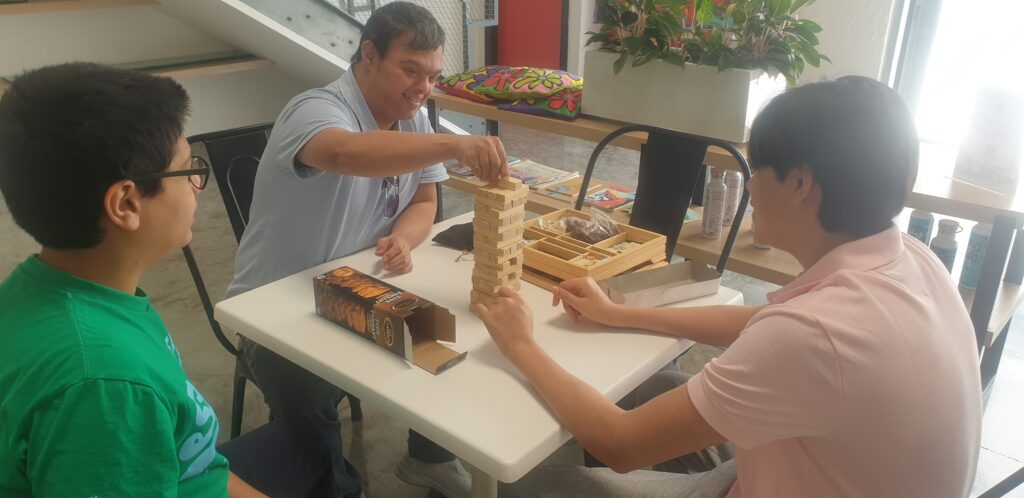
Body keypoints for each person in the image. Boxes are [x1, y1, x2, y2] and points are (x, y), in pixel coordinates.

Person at [474, 76, 983, 497]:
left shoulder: (819, 336)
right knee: (652, 387)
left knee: (538, 482)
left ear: (801, 184)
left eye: (756, 169)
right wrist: (621, 313)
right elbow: (765, 326)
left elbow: (621, 444)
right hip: (819, 471)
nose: (748, 186)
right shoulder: (909, 258)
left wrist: (520, 344)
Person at [0, 62, 341, 497]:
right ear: (125, 203)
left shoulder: (50, 288)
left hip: (181, 469)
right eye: (187, 170)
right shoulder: (105, 387)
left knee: (310, 442)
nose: (199, 187)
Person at [225, 2, 508, 496]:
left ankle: (429, 458)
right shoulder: (316, 108)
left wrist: (405, 236)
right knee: (308, 403)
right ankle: (331, 484)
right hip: (275, 306)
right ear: (370, 55)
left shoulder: (413, 120)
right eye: (410, 70)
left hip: (356, 287)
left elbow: (424, 200)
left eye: (432, 76)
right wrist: (452, 145)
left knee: (443, 337)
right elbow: (344, 153)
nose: (421, 88)